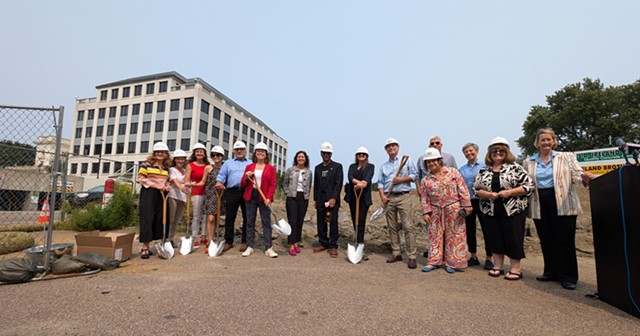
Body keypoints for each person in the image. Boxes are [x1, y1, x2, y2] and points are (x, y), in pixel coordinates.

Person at [522, 128, 594, 290]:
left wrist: (585, 178)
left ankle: (568, 277)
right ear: (537, 143)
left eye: (549, 139)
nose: (546, 142)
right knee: (546, 239)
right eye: (543, 140)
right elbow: (526, 183)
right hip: (540, 202)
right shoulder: (529, 162)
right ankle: (550, 272)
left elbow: (577, 175)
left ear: (553, 141)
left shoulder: (566, 157)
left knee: (565, 240)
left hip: (563, 202)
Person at [473, 137, 533, 280]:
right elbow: (475, 189)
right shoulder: (483, 170)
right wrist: (488, 194)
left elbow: (528, 186)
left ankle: (515, 268)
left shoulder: (516, 168)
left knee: (513, 238)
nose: (497, 153)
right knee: (495, 238)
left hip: (513, 210)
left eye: (501, 150)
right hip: (490, 210)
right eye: (494, 151)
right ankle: (497, 266)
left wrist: (509, 192)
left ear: (506, 152)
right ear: (489, 153)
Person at [419, 148, 472, 273]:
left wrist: (466, 206)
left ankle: (452, 263)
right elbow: (424, 197)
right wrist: (426, 212)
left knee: (455, 235)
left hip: (454, 209)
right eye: (428, 162)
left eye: (434, 161)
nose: (431, 164)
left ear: (439, 161)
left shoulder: (453, 172)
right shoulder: (426, 180)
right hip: (435, 210)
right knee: (434, 236)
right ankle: (433, 261)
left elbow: (463, 189)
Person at [378, 138, 419, 269]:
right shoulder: (384, 166)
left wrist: (401, 180)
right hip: (389, 198)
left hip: (404, 196)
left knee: (408, 226)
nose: (391, 148)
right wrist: (382, 196)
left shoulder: (406, 160)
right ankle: (396, 253)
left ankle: (412, 256)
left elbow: (414, 176)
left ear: (398, 147)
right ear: (386, 149)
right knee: (392, 227)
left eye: (393, 146)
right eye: (388, 146)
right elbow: (380, 183)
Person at [458, 142, 493, 270]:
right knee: (470, 230)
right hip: (468, 202)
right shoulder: (461, 170)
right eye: (466, 152)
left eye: (471, 151)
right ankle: (473, 256)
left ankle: (489, 258)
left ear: (476, 151)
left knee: (487, 229)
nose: (469, 153)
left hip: (484, 200)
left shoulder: (486, 166)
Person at [239, 142, 278, 258]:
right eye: (258, 151)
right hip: (251, 195)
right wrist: (246, 177)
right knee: (250, 222)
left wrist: (269, 197)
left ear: (266, 154)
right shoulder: (249, 167)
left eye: (263, 151)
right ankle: (250, 246)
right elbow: (242, 183)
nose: (260, 153)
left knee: (266, 222)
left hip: (264, 196)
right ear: (255, 154)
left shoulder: (271, 168)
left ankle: (268, 247)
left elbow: (273, 184)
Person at [137, 142, 172, 259]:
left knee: (161, 218)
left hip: (162, 194)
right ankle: (145, 247)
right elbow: (141, 178)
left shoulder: (166, 168)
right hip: (149, 193)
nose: (160, 154)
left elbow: (167, 180)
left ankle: (161, 242)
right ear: (154, 153)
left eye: (162, 152)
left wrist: (167, 185)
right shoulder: (147, 164)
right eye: (158, 152)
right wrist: (156, 186)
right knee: (147, 218)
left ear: (166, 154)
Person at [216, 140, 252, 252]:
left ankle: (245, 241)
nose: (239, 151)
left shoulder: (251, 163)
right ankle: (228, 241)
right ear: (234, 151)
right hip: (232, 191)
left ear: (245, 151)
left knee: (247, 217)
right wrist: (219, 182)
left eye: (241, 149)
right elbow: (222, 175)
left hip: (246, 191)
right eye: (237, 150)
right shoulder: (228, 163)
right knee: (230, 217)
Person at [312, 142, 343, 258]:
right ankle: (323, 242)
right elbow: (316, 184)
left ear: (331, 154)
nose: (326, 155)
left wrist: (334, 198)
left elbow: (338, 184)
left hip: (332, 199)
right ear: (321, 153)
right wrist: (315, 199)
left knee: (333, 222)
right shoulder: (317, 168)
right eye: (324, 153)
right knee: (321, 222)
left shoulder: (337, 167)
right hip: (320, 199)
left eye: (328, 153)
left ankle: (333, 245)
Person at [344, 146, 375, 261]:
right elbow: (350, 177)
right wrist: (358, 183)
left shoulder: (370, 167)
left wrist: (363, 184)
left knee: (361, 222)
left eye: (363, 154)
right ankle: (355, 242)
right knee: (354, 221)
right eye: (359, 154)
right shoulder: (352, 167)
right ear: (356, 156)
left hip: (364, 198)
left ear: (366, 156)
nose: (361, 156)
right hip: (353, 197)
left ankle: (360, 246)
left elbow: (368, 178)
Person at [283, 150, 312, 256]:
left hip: (303, 197)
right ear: (296, 158)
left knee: (300, 221)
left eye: (302, 157)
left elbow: (309, 185)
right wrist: (287, 193)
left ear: (306, 159)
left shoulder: (309, 172)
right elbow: (285, 183)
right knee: (292, 221)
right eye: (299, 157)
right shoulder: (290, 170)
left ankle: (296, 242)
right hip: (292, 197)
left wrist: (307, 195)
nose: (300, 158)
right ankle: (291, 244)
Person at [184, 143, 210, 248]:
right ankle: (195, 237)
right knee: (196, 216)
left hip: (207, 192)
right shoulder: (190, 165)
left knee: (206, 216)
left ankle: (204, 236)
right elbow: (186, 180)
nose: (199, 153)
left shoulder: (208, 165)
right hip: (196, 192)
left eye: (201, 152)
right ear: (194, 153)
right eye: (197, 151)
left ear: (204, 154)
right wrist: (190, 184)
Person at [202, 145, 225, 254]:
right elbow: (203, 181)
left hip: (222, 195)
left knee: (217, 218)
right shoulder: (208, 168)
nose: (216, 157)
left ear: (222, 156)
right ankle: (210, 241)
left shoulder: (225, 167)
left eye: (218, 155)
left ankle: (215, 238)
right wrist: (192, 184)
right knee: (211, 218)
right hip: (211, 194)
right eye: (213, 155)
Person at [167, 149, 188, 248]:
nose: (180, 161)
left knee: (176, 219)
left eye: (182, 159)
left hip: (182, 198)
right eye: (178, 159)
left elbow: (188, 182)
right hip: (173, 196)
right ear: (175, 160)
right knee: (170, 218)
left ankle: (171, 238)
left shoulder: (185, 171)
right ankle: (165, 238)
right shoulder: (172, 170)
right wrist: (181, 188)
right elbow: (174, 181)